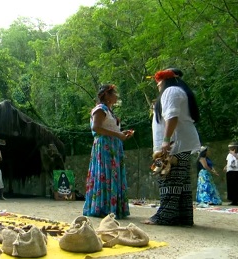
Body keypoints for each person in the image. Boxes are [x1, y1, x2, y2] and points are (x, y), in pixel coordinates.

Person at [144, 68, 201, 226]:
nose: (157, 86)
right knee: (181, 181)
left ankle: (166, 215)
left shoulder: (171, 91)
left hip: (175, 143)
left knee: (170, 178)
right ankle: (183, 216)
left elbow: (172, 116)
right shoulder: (178, 90)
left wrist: (166, 140)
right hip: (179, 142)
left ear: (164, 81)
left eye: (158, 82)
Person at [83, 84, 132, 220]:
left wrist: (121, 134)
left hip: (113, 146)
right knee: (105, 173)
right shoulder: (100, 109)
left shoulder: (110, 111)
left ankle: (112, 207)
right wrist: (118, 135)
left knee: (112, 174)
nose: (116, 96)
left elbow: (108, 128)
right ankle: (102, 207)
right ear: (107, 95)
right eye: (114, 93)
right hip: (104, 146)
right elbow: (97, 127)